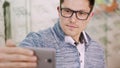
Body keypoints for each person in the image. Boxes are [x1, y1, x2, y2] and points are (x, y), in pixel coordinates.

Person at [0, 0, 105, 68]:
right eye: (68, 11)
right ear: (59, 11)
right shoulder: (37, 41)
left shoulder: (97, 49)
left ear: (90, 16)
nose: (73, 20)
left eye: (81, 13)